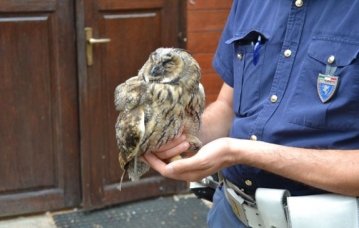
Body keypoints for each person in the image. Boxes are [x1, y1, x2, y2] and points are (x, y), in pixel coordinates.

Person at [141, 0, 359, 227]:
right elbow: (227, 107)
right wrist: (181, 134)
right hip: (231, 214)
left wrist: (240, 152)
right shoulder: (249, 3)